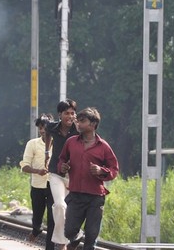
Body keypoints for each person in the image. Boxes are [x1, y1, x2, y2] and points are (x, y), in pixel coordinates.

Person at [58, 107, 119, 250]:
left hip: (95, 197)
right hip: (75, 195)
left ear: (93, 124)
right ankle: (77, 236)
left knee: (91, 236)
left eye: (82, 121)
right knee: (70, 231)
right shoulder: (71, 142)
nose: (78, 124)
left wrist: (101, 171)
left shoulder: (103, 146)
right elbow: (61, 159)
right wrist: (63, 167)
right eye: (78, 121)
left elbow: (114, 169)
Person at [46, 99, 79, 250]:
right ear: (60, 114)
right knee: (59, 205)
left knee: (70, 209)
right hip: (55, 173)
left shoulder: (78, 130)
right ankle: (64, 242)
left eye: (72, 113)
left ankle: (69, 239)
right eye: (67, 113)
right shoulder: (52, 127)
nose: (70, 116)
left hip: (74, 175)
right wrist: (47, 152)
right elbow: (47, 133)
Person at [20, 113, 55, 248]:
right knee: (37, 218)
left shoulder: (58, 144)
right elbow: (24, 166)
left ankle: (49, 247)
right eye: (40, 128)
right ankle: (36, 230)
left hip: (53, 185)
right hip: (37, 186)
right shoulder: (32, 144)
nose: (42, 130)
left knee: (52, 218)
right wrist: (37, 171)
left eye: (45, 127)